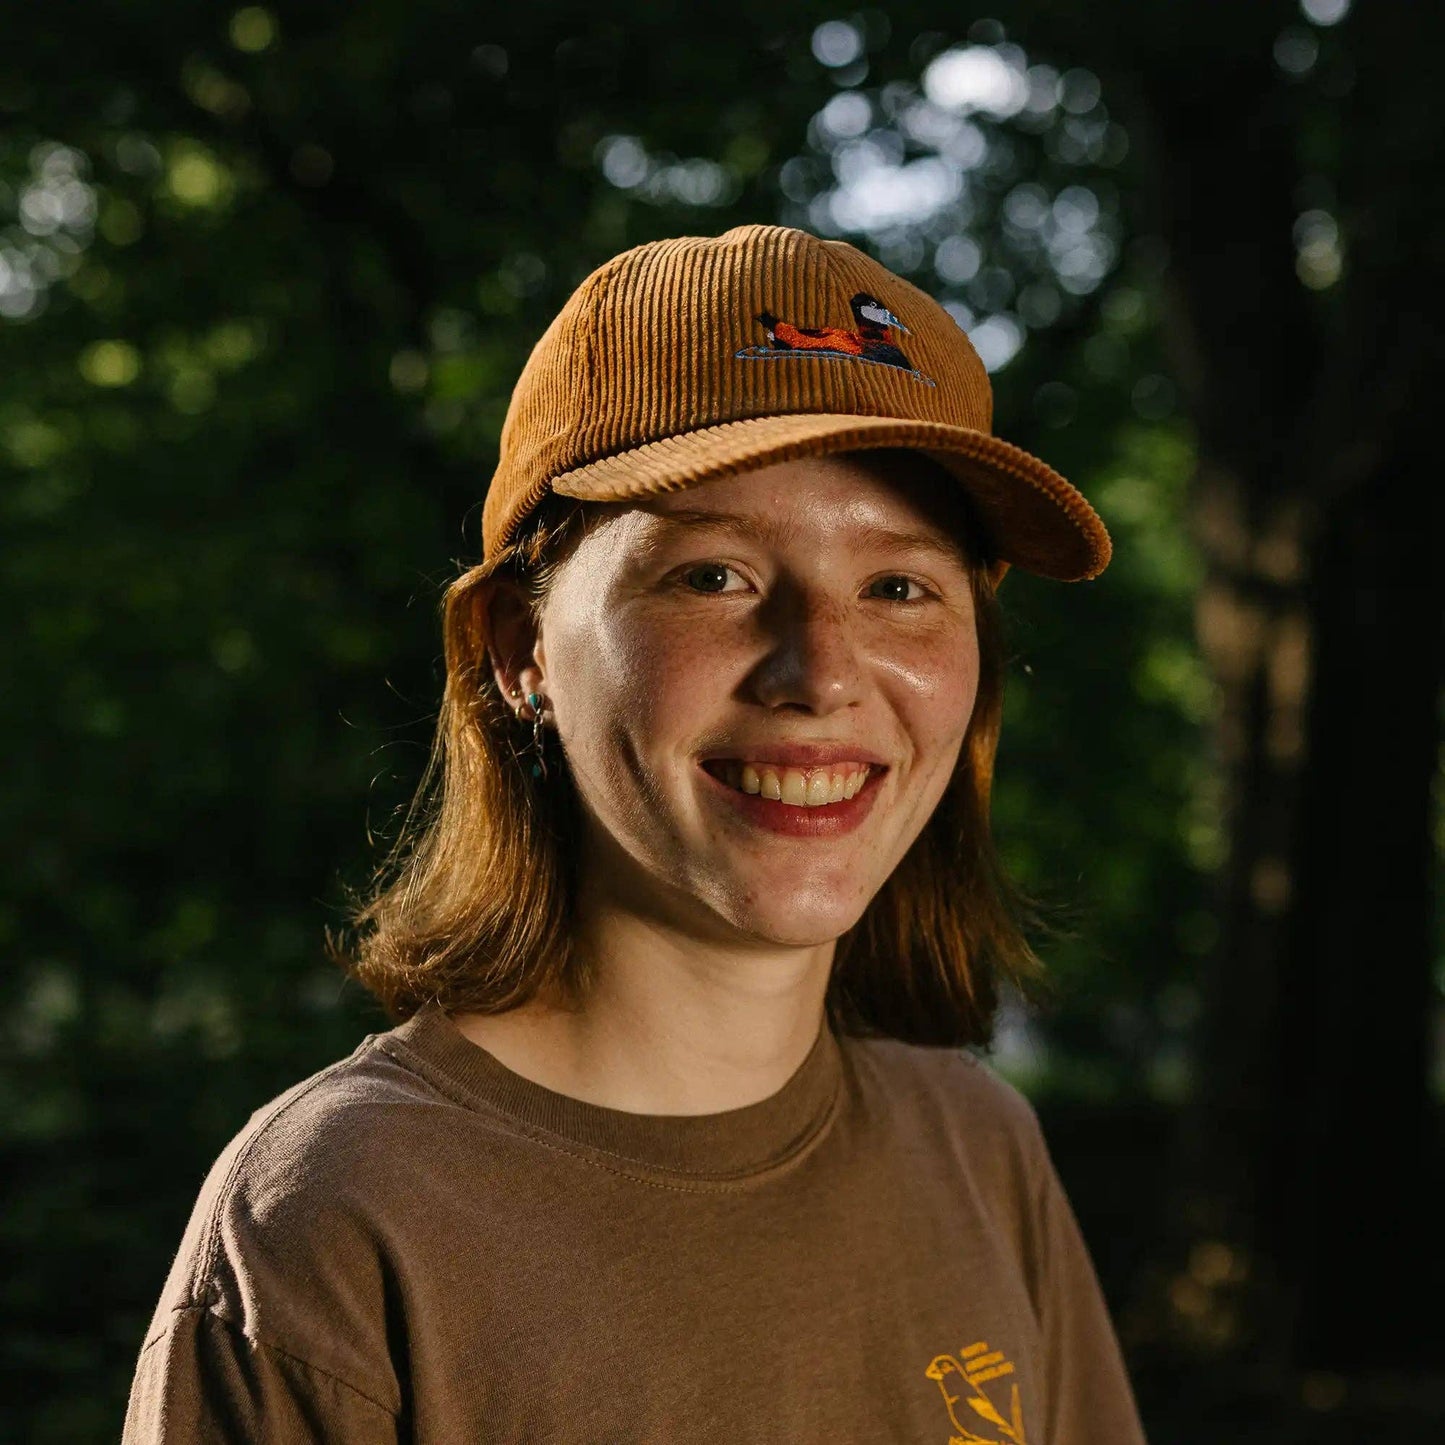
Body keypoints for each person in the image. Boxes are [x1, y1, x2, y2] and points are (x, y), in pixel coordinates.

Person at [123, 223, 1147, 1443]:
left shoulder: (977, 1151)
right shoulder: (334, 1224)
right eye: (710, 575)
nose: (819, 674)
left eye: (897, 586)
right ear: (522, 649)